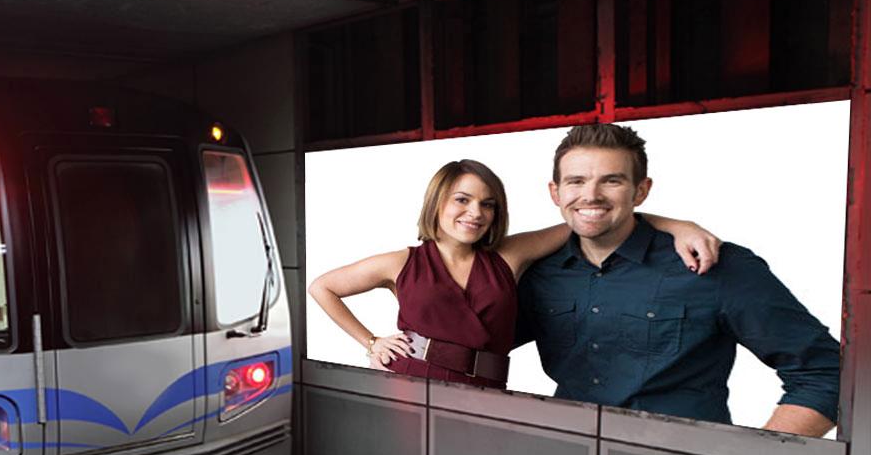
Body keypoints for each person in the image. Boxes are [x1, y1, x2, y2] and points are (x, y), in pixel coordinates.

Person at [516, 123, 839, 436]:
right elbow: (485, 341)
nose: (591, 195)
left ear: (641, 190)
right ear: (555, 192)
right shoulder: (539, 274)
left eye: (612, 181)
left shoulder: (713, 265)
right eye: (576, 181)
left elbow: (829, 373)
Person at [308, 159, 719, 388]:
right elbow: (322, 286)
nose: (475, 213)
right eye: (462, 200)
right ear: (437, 203)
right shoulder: (400, 262)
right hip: (410, 384)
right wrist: (371, 341)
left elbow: (589, 221)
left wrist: (677, 226)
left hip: (486, 390)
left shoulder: (509, 255)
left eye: (487, 204)